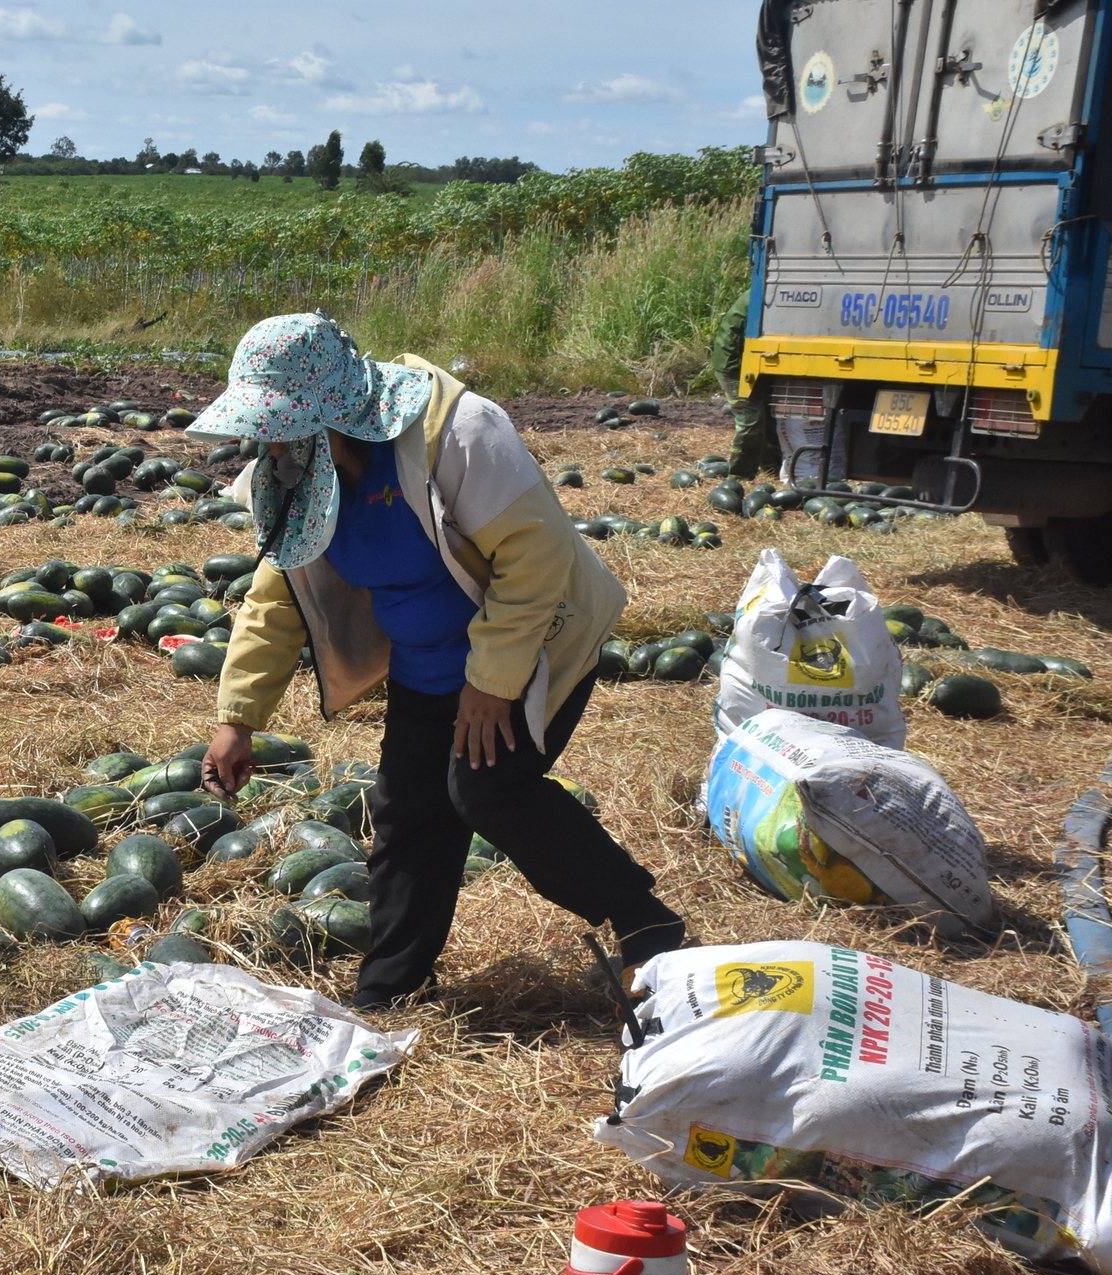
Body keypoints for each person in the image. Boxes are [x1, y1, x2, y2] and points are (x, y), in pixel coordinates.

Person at [192, 312, 685, 1010]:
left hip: (534, 644)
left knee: (487, 791)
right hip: (426, 670)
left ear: (330, 409)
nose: (265, 440)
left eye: (279, 423)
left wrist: (492, 682)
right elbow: (278, 597)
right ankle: (390, 988)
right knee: (407, 816)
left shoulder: (456, 432)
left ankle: (643, 916)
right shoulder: (297, 471)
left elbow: (534, 555)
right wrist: (238, 718)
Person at [710, 293, 782, 480]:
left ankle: (772, 469)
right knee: (752, 419)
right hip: (734, 365)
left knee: (768, 416)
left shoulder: (770, 292)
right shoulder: (763, 295)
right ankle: (739, 476)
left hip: (755, 365)